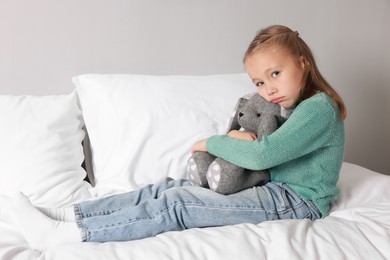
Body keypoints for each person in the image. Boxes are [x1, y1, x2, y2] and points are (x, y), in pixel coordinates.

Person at [0, 25, 346, 251]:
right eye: (259, 82)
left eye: (276, 74)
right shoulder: (285, 107)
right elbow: (255, 143)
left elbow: (261, 156)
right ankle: (70, 215)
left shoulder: (319, 108)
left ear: (302, 64)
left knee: (179, 203)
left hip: (298, 201)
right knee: (165, 187)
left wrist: (209, 143)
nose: (268, 89)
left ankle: (69, 237)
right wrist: (238, 138)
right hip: (272, 189)